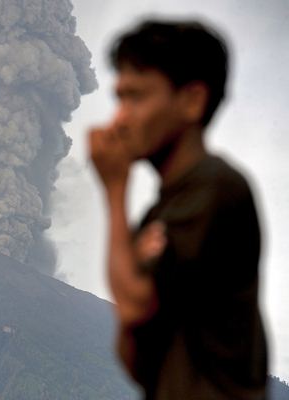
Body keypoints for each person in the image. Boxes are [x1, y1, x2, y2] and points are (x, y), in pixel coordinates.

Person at [87, 20, 268, 399]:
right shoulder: (162, 214)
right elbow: (133, 354)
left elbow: (134, 307)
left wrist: (115, 189)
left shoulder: (217, 187)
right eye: (118, 98)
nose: (119, 119)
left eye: (135, 97)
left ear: (192, 101)